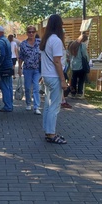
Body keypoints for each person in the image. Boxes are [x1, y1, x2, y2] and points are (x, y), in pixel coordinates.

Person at [39, 14, 69, 144]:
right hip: (54, 76)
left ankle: (48, 131)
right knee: (54, 107)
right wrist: (63, 80)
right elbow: (57, 62)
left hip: (46, 76)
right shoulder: (56, 40)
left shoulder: (46, 40)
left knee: (47, 105)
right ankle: (51, 133)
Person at [18, 25, 41, 115]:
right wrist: (19, 67)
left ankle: (36, 107)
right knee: (27, 88)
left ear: (35, 33)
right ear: (27, 33)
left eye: (33, 32)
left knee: (36, 87)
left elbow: (44, 53)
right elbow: (21, 57)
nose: (31, 33)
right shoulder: (23, 44)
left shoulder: (40, 42)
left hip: (37, 69)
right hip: (27, 69)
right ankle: (28, 103)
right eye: (29, 32)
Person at [0, 26, 13, 112]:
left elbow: (1, 54)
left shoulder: (0, 42)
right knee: (9, 86)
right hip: (8, 66)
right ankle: (10, 104)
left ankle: (7, 106)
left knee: (4, 86)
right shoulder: (6, 40)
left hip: (3, 67)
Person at [68, 33, 89, 98]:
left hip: (73, 65)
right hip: (81, 65)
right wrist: (88, 60)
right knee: (81, 80)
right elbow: (84, 55)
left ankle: (73, 93)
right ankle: (79, 93)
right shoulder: (82, 45)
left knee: (74, 79)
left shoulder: (73, 44)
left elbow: (70, 55)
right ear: (84, 40)